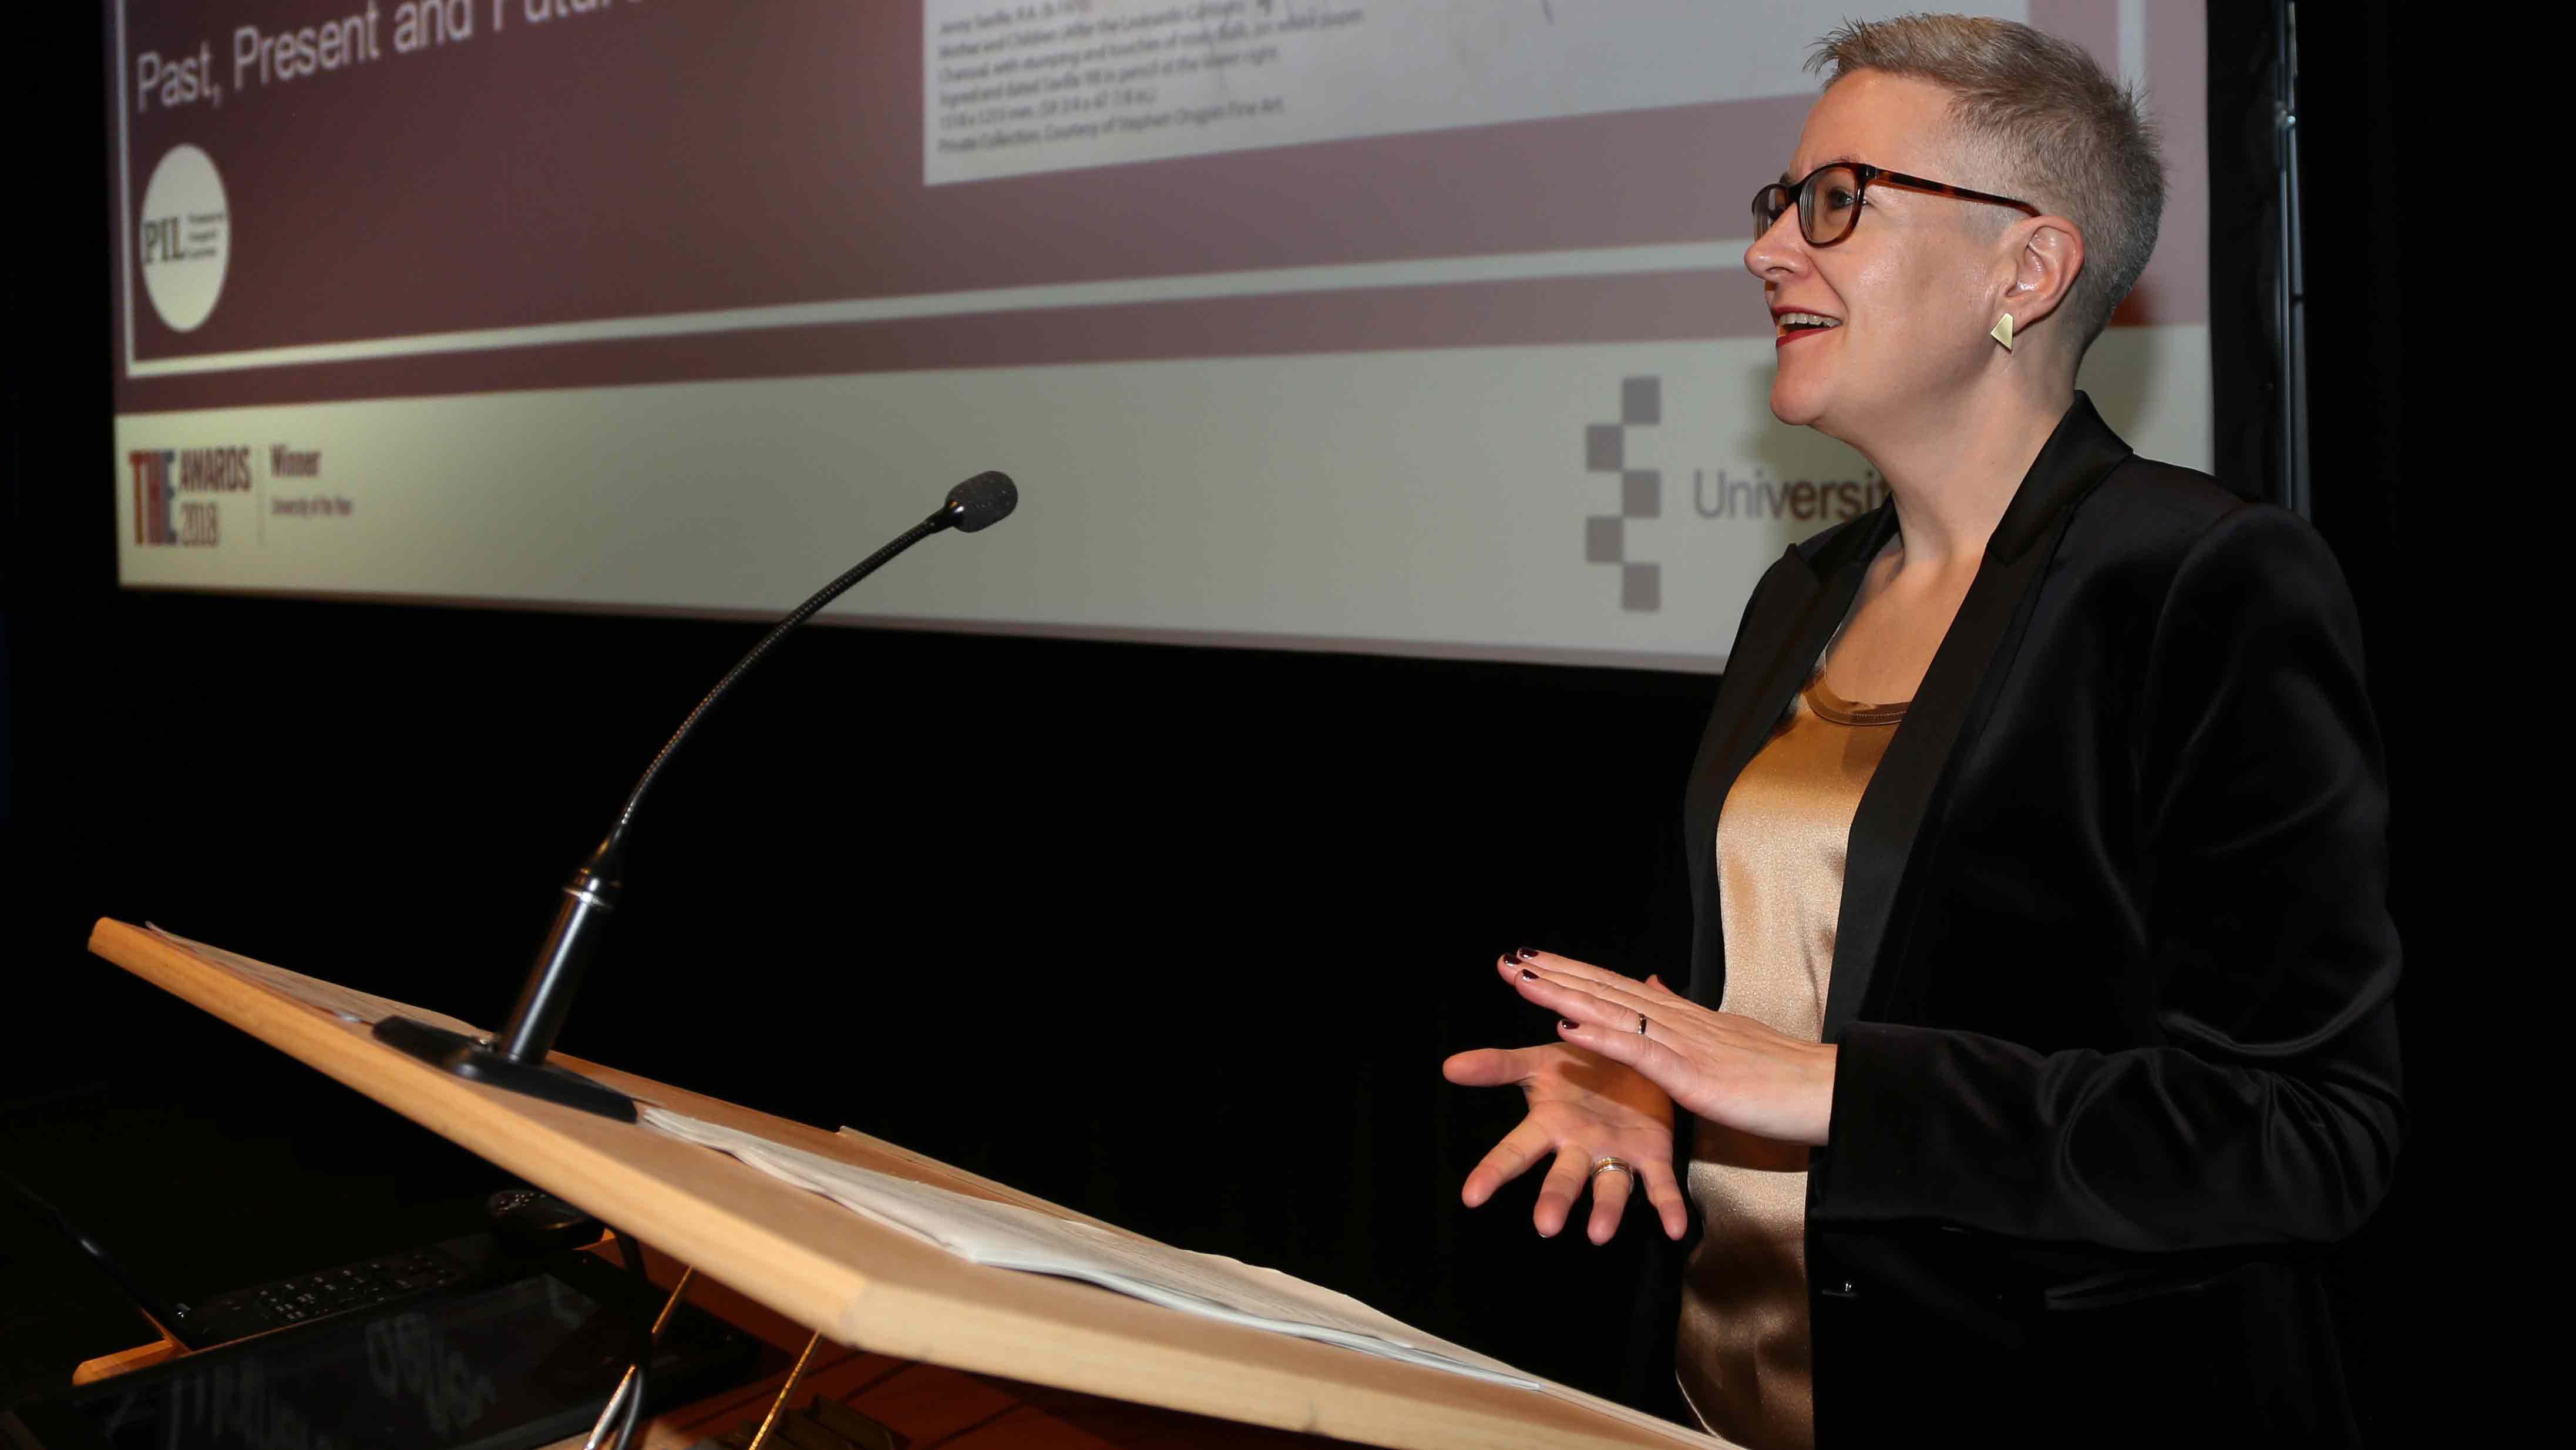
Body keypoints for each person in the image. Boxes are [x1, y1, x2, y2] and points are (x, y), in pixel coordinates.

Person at [1441, 16, 2399, 1449]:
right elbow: (1797, 976)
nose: (1771, 252)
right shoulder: (1807, 592)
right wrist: (1655, 1092)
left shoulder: (2199, 581)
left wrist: (1838, 1093)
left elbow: (2311, 1136)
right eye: (1780, 204)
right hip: (1717, 1398)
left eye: (1837, 203)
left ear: (2029, 267)